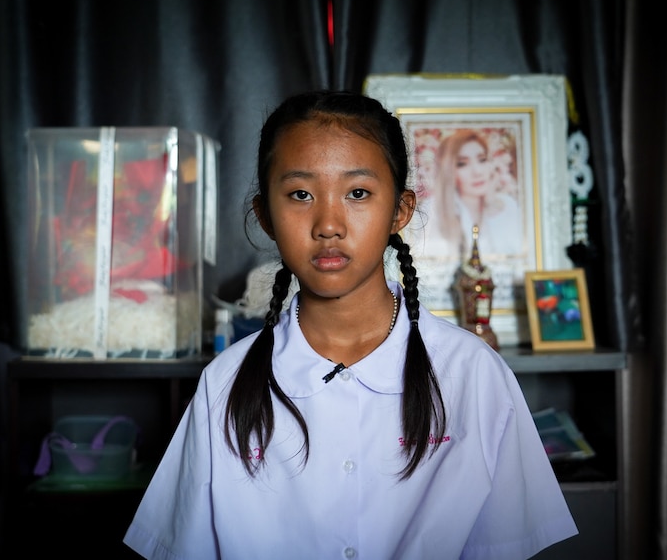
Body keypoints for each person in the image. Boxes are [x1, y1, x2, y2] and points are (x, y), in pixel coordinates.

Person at [123, 90, 577, 559]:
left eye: (357, 193)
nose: (329, 224)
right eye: (301, 194)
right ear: (265, 216)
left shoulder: (473, 374)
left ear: (399, 210)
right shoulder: (224, 386)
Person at [427, 129, 523, 259]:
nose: (477, 172)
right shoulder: (434, 211)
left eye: (482, 160)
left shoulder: (508, 205)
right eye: (462, 164)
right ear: (449, 171)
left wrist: (491, 205)